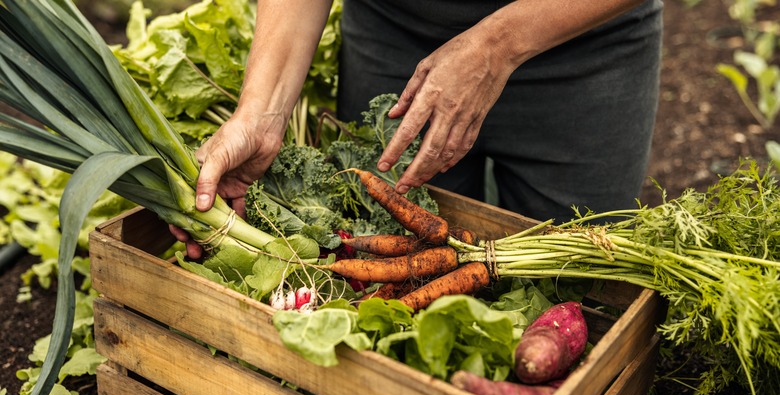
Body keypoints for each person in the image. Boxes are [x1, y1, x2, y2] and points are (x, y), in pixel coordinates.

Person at [172, 0, 663, 258]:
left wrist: (496, 45)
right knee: (392, 258)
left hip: (584, 46)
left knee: (577, 287)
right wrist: (263, 112)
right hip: (395, 37)